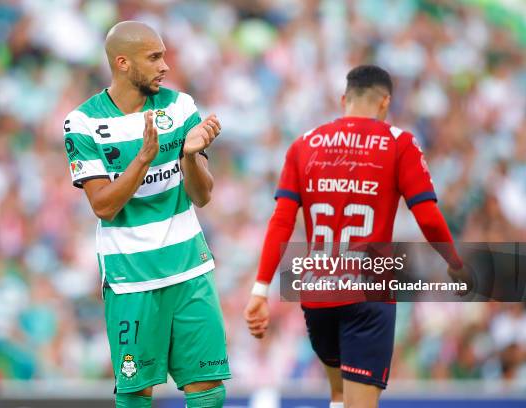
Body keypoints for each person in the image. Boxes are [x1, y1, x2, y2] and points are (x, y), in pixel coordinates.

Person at [244, 65, 468, 408]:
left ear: (344, 99)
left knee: (338, 395)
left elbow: (281, 221)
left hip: (317, 292)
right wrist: (454, 262)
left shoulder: (304, 144)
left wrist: (260, 289)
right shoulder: (399, 143)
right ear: (385, 102)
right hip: (367, 292)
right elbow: (428, 218)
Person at [63, 21, 229, 408]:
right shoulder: (83, 122)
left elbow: (202, 196)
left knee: (208, 388)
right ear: (122, 62)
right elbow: (103, 205)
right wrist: (142, 159)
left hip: (190, 267)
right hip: (131, 277)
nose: (165, 66)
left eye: (165, 56)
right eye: (154, 57)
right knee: (137, 393)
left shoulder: (180, 105)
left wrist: (189, 155)